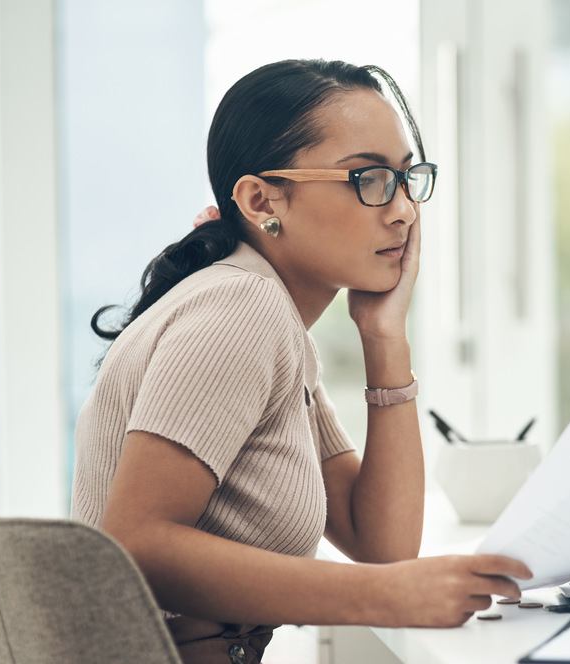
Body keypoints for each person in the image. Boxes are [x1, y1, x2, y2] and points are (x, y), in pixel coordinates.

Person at [70, 59, 531, 664]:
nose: (403, 212)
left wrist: (384, 337)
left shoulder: (268, 317)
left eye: (405, 178)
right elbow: (135, 544)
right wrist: (384, 596)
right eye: (367, 178)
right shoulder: (242, 307)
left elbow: (382, 544)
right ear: (262, 199)